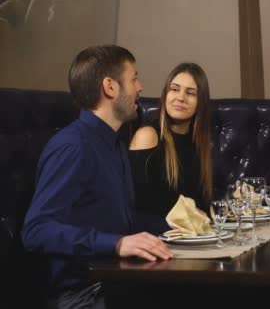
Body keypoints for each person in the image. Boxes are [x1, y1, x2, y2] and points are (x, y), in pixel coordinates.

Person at [21, 45, 174, 309]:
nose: (140, 87)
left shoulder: (114, 144)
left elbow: (118, 218)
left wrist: (175, 229)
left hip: (117, 282)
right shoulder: (73, 147)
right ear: (110, 87)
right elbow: (36, 230)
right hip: (83, 294)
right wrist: (116, 244)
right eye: (134, 78)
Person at [129, 62, 213, 217]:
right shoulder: (147, 135)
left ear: (200, 103)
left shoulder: (199, 144)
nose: (180, 98)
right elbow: (140, 206)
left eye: (191, 93)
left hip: (194, 236)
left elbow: (204, 203)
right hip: (158, 236)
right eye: (174, 89)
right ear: (165, 95)